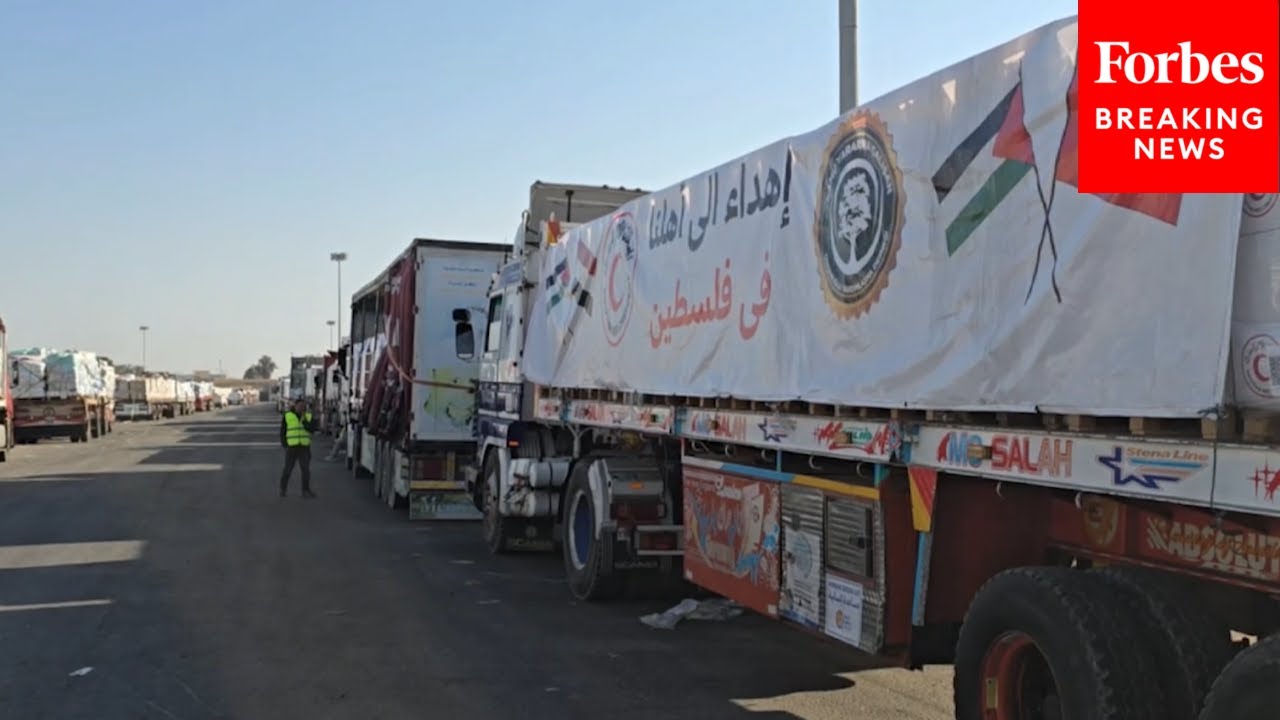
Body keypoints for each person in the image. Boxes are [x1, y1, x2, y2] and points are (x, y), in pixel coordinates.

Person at [280, 398, 318, 498]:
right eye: (300, 406)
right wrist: (284, 444)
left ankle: (305, 491)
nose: (302, 408)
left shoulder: (308, 416)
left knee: (305, 470)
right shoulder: (288, 416)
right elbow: (282, 432)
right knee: (288, 469)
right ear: (295, 406)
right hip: (292, 447)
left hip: (304, 447)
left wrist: (304, 420)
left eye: (303, 406)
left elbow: (313, 429)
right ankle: (282, 489)